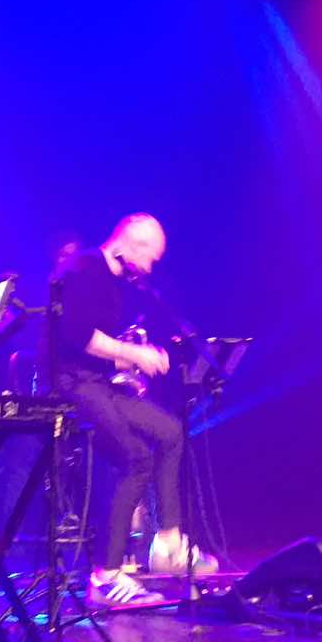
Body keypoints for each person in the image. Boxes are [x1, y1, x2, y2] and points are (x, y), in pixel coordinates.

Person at [49, 213, 218, 605]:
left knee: (171, 432)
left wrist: (138, 358)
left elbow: (102, 348)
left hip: (98, 382)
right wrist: (133, 354)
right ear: (131, 245)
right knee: (136, 458)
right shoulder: (84, 268)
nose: (150, 268)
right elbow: (77, 336)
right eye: (150, 258)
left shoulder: (115, 282)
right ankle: (106, 577)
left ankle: (168, 545)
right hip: (72, 385)